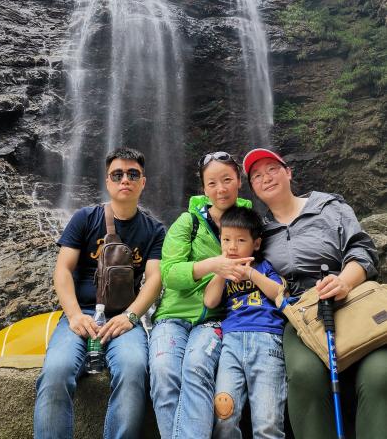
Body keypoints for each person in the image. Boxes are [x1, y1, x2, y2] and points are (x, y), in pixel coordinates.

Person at [242, 147, 387, 439]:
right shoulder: (259, 233)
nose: (265, 177)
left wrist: (344, 282)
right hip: (300, 316)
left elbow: (361, 249)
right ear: (253, 188)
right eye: (256, 175)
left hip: (350, 300)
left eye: (272, 169)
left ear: (288, 172)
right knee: (304, 375)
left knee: (380, 374)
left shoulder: (330, 206)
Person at [34, 147, 165, 439]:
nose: (125, 180)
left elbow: (155, 279)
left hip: (123, 317)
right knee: (56, 370)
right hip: (79, 314)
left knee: (133, 369)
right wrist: (73, 315)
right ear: (107, 181)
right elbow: (63, 270)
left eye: (133, 174)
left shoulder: (154, 230)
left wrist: (131, 316)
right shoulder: (84, 218)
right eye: (117, 174)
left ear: (143, 182)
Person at [149, 151, 252, 439]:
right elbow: (169, 273)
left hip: (215, 318)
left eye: (227, 180)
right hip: (172, 316)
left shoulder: (249, 223)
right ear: (204, 189)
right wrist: (212, 265)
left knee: (196, 367)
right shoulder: (188, 222)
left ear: (239, 181)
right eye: (212, 183)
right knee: (163, 371)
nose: (221, 189)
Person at [204, 206, 287, 439]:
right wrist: (221, 271)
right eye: (226, 239)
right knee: (224, 415)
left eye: (240, 240)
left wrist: (251, 274)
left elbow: (279, 293)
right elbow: (210, 301)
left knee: (268, 424)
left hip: (267, 341)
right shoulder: (223, 274)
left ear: (256, 244)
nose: (232, 247)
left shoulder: (264, 267)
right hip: (231, 343)